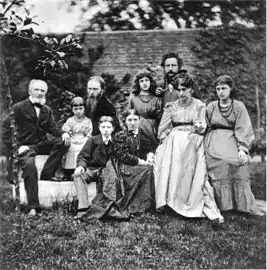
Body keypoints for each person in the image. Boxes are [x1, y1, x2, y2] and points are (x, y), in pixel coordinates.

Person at [154, 73, 224, 224]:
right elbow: (162, 130)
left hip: (193, 140)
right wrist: (168, 136)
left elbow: (202, 128)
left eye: (184, 89)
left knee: (193, 159)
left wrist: (198, 127)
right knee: (167, 156)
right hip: (174, 141)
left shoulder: (199, 105)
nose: (181, 93)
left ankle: (191, 203)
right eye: (178, 90)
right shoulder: (171, 107)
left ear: (191, 89)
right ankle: (172, 202)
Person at [2, 79, 70, 216]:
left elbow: (53, 129)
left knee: (63, 142)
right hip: (24, 147)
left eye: (42, 91)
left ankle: (47, 173)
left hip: (41, 145)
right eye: (36, 90)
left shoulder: (46, 110)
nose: (39, 93)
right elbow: (4, 130)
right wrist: (16, 148)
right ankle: (33, 206)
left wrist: (64, 134)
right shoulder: (18, 108)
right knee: (29, 166)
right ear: (29, 91)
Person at [205, 75, 262, 215]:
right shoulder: (212, 106)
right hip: (213, 141)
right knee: (220, 161)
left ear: (231, 89)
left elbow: (243, 128)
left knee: (237, 161)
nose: (221, 92)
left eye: (224, 88)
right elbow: (204, 125)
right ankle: (222, 205)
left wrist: (242, 149)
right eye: (218, 89)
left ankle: (239, 205)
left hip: (232, 139)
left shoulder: (238, 106)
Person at [85, 109, 157, 220]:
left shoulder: (142, 134)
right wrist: (140, 161)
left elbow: (150, 146)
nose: (132, 123)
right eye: (129, 120)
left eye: (135, 120)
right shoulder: (120, 135)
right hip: (121, 166)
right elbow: (122, 154)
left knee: (149, 169)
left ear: (139, 121)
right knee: (145, 169)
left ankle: (143, 206)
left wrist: (150, 155)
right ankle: (131, 206)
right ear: (125, 121)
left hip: (134, 165)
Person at [73, 116, 114, 219]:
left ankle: (103, 210)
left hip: (106, 172)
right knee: (78, 175)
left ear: (112, 129)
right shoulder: (93, 140)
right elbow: (83, 155)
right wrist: (81, 166)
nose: (106, 130)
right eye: (103, 127)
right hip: (92, 169)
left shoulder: (115, 142)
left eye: (108, 127)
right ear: (99, 128)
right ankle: (82, 209)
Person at [128, 69, 162, 147]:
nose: (144, 83)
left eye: (146, 80)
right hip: (139, 127)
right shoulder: (134, 97)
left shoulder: (156, 98)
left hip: (153, 128)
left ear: (150, 82)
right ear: (138, 83)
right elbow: (130, 114)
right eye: (141, 81)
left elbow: (159, 115)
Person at [62, 97, 92, 180]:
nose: (78, 111)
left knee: (83, 148)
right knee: (71, 148)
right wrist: (66, 134)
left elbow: (89, 133)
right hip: (73, 139)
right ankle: (69, 171)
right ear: (72, 109)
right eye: (75, 109)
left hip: (83, 139)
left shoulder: (88, 121)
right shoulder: (70, 120)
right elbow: (66, 130)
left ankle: (81, 170)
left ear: (84, 109)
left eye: (80, 109)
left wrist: (86, 139)